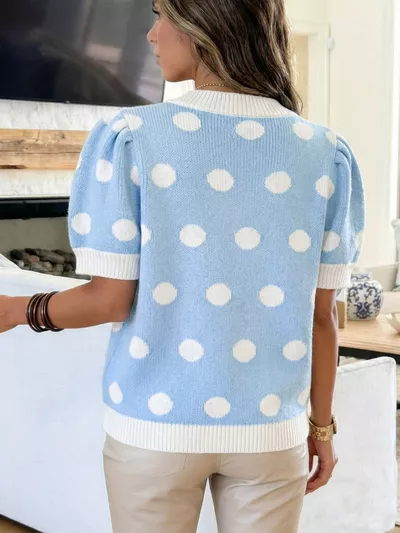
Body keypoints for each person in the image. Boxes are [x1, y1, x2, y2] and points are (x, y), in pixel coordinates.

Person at [0, 0, 365, 531]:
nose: (150, 35)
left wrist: (15, 310)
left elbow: (109, 300)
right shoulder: (327, 153)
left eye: (160, 15)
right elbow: (322, 317)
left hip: (155, 429)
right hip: (271, 433)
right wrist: (322, 429)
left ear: (204, 24)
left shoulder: (132, 135)